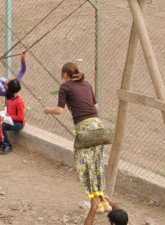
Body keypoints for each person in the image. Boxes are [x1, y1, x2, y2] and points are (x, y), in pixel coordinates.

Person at [45, 62, 116, 224]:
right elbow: (95, 106)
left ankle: (95, 202)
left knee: (83, 164)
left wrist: (47, 110)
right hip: (98, 125)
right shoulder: (87, 84)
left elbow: (60, 110)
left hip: (84, 128)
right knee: (97, 163)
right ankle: (104, 201)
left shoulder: (65, 86)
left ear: (64, 74)